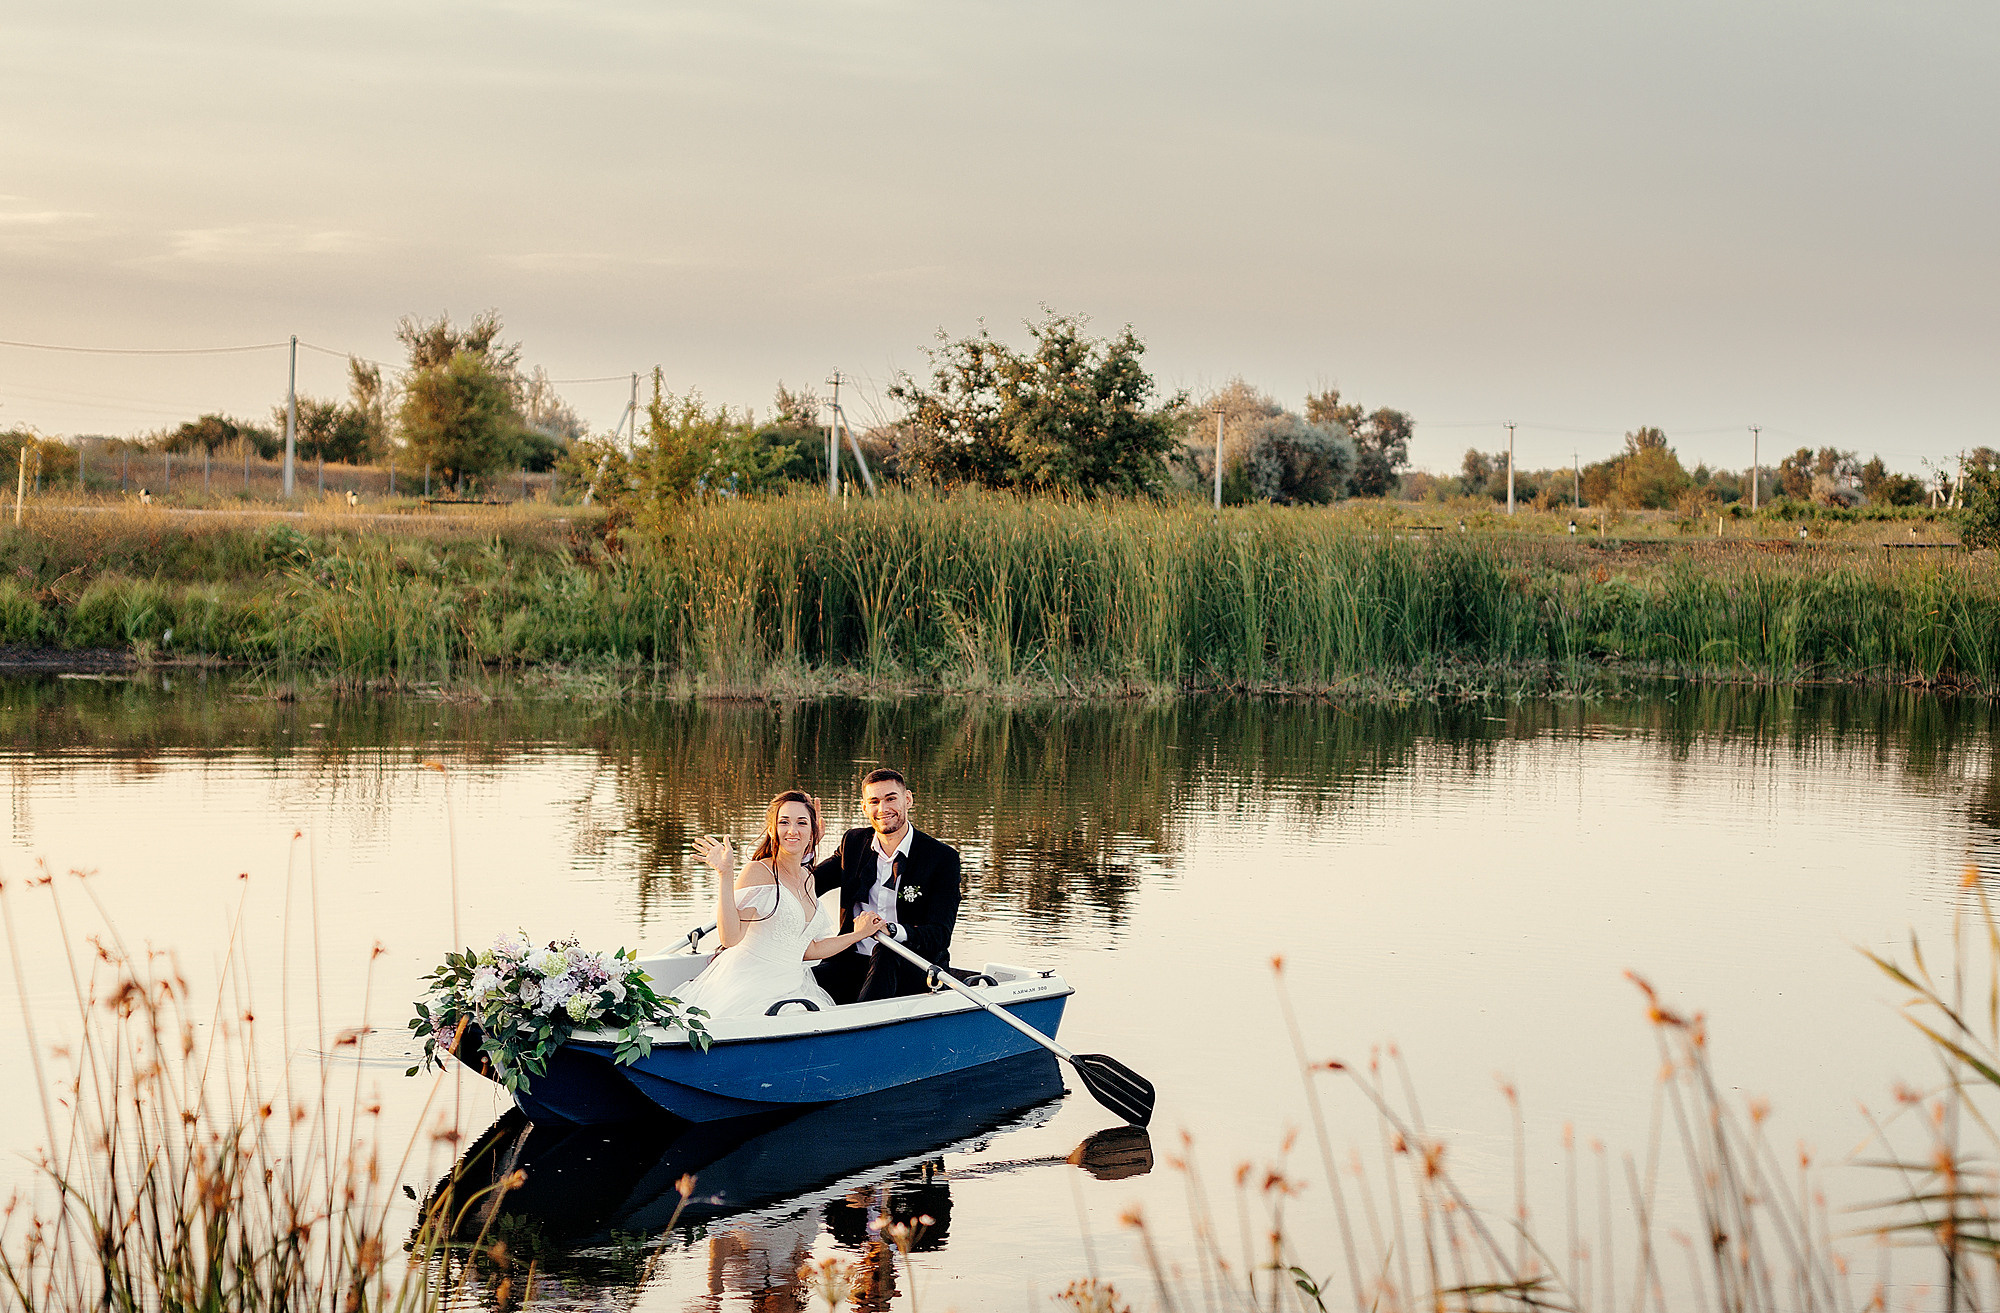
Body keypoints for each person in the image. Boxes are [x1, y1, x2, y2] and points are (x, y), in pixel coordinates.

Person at [677, 791, 887, 1020]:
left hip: (792, 987)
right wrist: (725, 874)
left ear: (813, 832)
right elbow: (730, 938)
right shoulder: (759, 871)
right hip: (751, 986)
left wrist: (859, 934)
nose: (792, 830)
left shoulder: (808, 879)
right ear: (772, 830)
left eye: (801, 823)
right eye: (784, 822)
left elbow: (811, 950)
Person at [813, 768, 962, 1005]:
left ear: (908, 799)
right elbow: (808, 886)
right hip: (852, 961)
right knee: (800, 985)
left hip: (912, 965)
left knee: (886, 952)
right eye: (874, 801)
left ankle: (864, 1023)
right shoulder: (853, 843)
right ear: (864, 807)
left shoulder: (941, 857)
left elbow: (940, 934)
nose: (883, 809)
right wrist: (805, 845)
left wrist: (892, 930)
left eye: (891, 798)